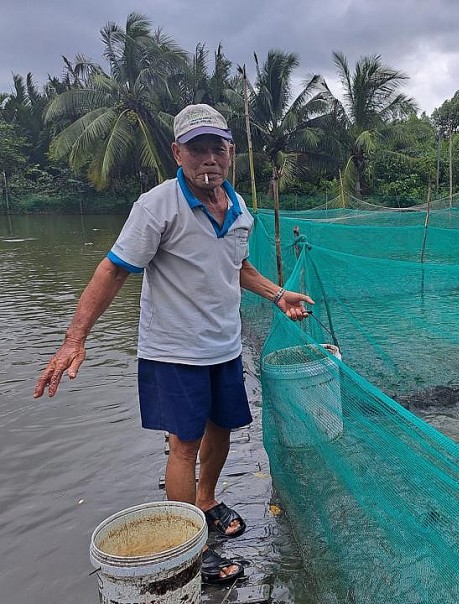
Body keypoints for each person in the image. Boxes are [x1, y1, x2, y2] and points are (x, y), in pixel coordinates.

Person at [33, 103, 313, 585]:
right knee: (184, 444)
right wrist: (74, 339)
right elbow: (115, 268)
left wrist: (278, 293)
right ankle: (189, 551)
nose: (209, 159)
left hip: (223, 347)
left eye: (218, 149)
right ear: (177, 153)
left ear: (230, 154)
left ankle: (205, 502)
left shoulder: (239, 206)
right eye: (198, 148)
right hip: (174, 351)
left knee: (222, 428)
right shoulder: (157, 205)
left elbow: (238, 267)